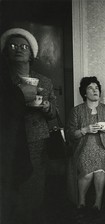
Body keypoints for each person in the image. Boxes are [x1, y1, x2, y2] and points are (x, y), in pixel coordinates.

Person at [0, 28, 57, 223]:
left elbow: (54, 114)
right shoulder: (4, 82)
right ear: (6, 52)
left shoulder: (45, 81)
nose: (18, 49)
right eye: (13, 46)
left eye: (24, 46)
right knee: (12, 186)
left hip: (36, 139)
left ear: (32, 53)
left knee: (34, 184)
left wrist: (47, 106)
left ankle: (32, 215)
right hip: (10, 140)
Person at [66, 76, 105, 211]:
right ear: (84, 93)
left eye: (96, 88)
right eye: (90, 88)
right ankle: (81, 201)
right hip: (83, 147)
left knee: (100, 171)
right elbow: (70, 133)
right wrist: (85, 130)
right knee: (88, 173)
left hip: (103, 147)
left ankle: (98, 201)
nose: (95, 91)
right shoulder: (76, 111)